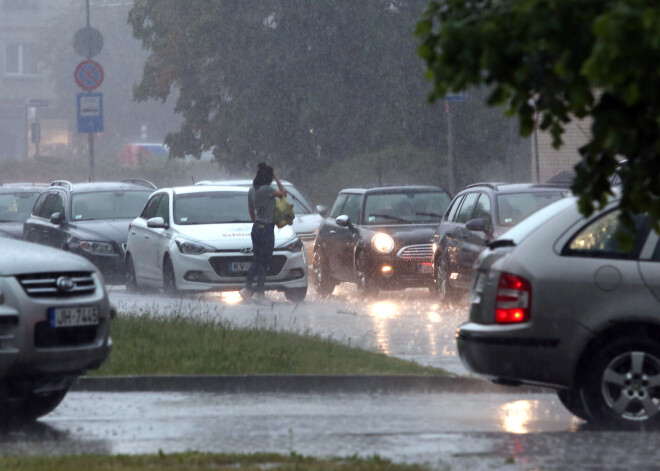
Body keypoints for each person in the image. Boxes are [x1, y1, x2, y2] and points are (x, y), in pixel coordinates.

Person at [240, 163, 287, 303]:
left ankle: (247, 288)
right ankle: (259, 293)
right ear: (268, 177)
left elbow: (251, 210)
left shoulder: (251, 190)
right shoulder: (267, 189)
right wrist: (278, 179)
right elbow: (283, 194)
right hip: (267, 228)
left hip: (256, 227)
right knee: (264, 261)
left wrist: (256, 222)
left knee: (256, 259)